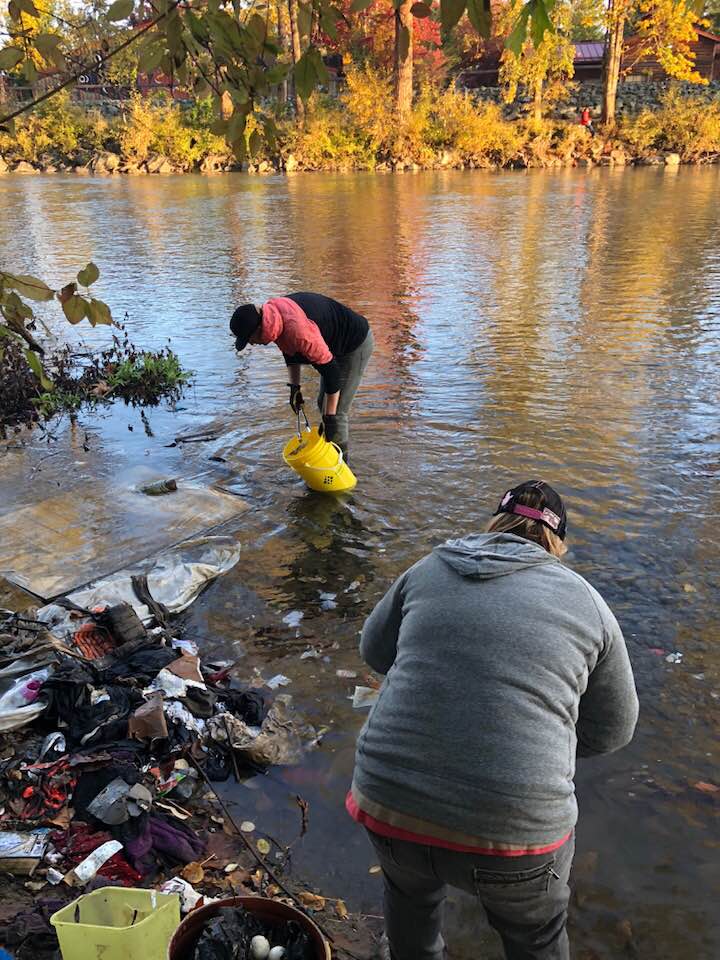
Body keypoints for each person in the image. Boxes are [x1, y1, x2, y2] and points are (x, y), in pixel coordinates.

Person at [347, 480, 639, 960]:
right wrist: (551, 736)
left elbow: (374, 652)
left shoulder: (428, 568)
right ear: (558, 542)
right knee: (535, 938)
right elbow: (615, 730)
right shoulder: (588, 603)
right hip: (520, 829)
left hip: (386, 800)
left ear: (495, 522)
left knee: (410, 901)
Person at [229, 292, 373, 458]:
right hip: (332, 345)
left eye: (250, 339)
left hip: (355, 344)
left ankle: (340, 469)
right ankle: (328, 456)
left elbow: (332, 375)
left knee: (336, 412)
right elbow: (290, 353)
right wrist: (294, 388)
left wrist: (330, 420)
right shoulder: (273, 317)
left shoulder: (299, 331)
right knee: (323, 403)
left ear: (259, 329)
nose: (251, 344)